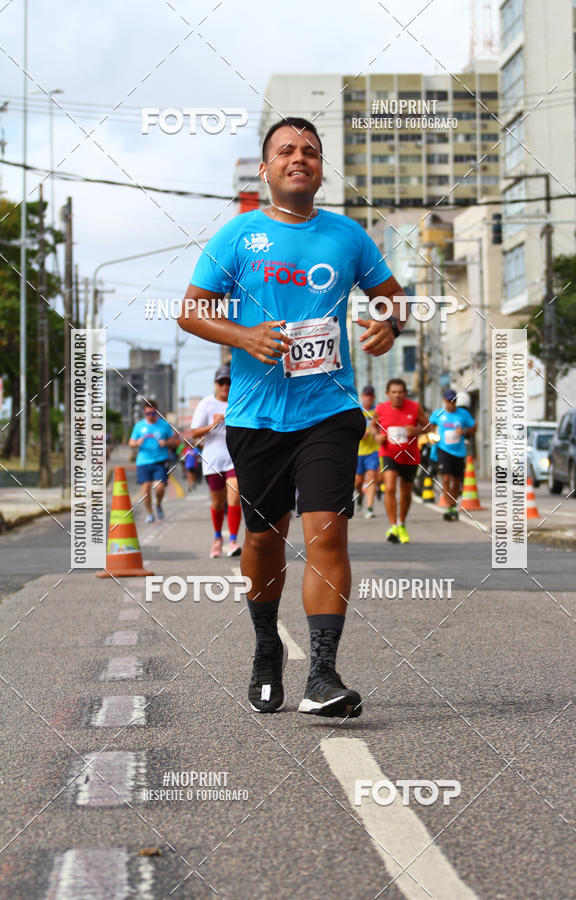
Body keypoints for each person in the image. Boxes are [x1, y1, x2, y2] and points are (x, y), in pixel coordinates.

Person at [178, 116, 407, 718]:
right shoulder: (237, 236)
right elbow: (191, 312)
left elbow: (393, 295)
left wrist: (389, 322)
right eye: (286, 150)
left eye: (309, 150)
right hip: (256, 417)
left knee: (327, 529)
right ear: (266, 168)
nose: (298, 157)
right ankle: (265, 650)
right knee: (262, 539)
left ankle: (323, 675)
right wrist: (244, 336)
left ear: (320, 168)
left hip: (329, 410)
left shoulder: (348, 236)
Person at [191, 365, 243, 558]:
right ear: (215, 384)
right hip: (212, 460)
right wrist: (213, 424)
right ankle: (217, 539)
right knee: (218, 503)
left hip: (234, 459)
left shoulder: (239, 402)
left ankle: (233, 541)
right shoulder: (206, 404)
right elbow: (193, 433)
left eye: (228, 382)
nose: (225, 386)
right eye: (221, 382)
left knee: (234, 495)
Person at [373, 378, 430, 544]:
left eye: (400, 392)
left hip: (410, 455)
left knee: (406, 492)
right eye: (394, 392)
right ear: (387, 394)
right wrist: (376, 436)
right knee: (390, 488)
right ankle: (392, 526)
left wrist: (416, 429)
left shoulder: (414, 407)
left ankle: (401, 523)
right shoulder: (381, 409)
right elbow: (372, 426)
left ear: (405, 393)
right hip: (388, 452)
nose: (397, 395)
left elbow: (429, 427)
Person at [128, 398, 178, 524]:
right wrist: (137, 442)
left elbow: (174, 441)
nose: (151, 416)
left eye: (153, 413)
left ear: (157, 412)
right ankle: (150, 514)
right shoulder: (139, 426)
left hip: (160, 462)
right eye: (148, 413)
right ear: (144, 413)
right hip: (143, 462)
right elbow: (131, 443)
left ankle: (158, 505)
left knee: (160, 487)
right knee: (145, 490)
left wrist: (166, 442)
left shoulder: (164, 425)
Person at [430, 388, 476, 520]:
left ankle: (453, 506)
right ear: (444, 401)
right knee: (445, 479)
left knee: (456, 482)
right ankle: (450, 506)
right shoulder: (438, 414)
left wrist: (465, 431)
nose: (451, 403)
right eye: (449, 401)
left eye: (454, 401)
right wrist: (433, 435)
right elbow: (431, 425)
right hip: (443, 450)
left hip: (459, 452)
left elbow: (473, 428)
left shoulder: (463, 414)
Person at [355, 386, 380, 518]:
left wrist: (375, 431)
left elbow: (381, 427)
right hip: (358, 451)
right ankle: (359, 495)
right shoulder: (357, 411)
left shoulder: (377, 411)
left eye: (371, 395)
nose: (368, 398)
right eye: (366, 395)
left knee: (371, 477)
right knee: (358, 482)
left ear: (373, 397)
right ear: (362, 396)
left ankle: (369, 508)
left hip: (373, 450)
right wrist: (360, 433)